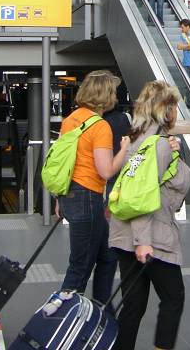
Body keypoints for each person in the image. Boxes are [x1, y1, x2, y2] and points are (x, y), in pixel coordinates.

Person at [108, 80, 190, 350]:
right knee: (173, 297)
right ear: (165, 109)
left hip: (123, 233)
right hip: (151, 237)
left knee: (133, 304)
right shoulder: (158, 145)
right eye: (174, 106)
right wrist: (143, 242)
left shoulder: (136, 139)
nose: (176, 112)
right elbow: (143, 197)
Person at [57, 70, 129, 306]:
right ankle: (62, 316)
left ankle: (100, 308)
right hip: (88, 197)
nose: (116, 96)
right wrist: (124, 150)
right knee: (80, 265)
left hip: (72, 193)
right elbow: (106, 171)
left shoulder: (72, 119)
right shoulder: (100, 126)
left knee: (107, 255)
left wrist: (60, 197)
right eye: (113, 91)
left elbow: (65, 162)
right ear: (105, 94)